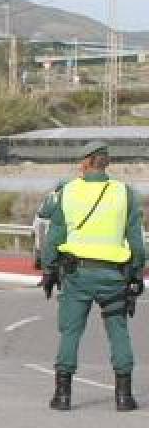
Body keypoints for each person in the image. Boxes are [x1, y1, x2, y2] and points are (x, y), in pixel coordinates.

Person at [39, 140, 144, 412]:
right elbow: (136, 240)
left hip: (78, 275)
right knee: (118, 331)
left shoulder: (68, 191)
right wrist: (135, 275)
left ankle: (62, 396)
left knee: (70, 332)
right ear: (106, 163)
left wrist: (49, 269)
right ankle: (124, 397)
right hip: (114, 276)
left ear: (86, 162)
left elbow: (55, 235)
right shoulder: (125, 193)